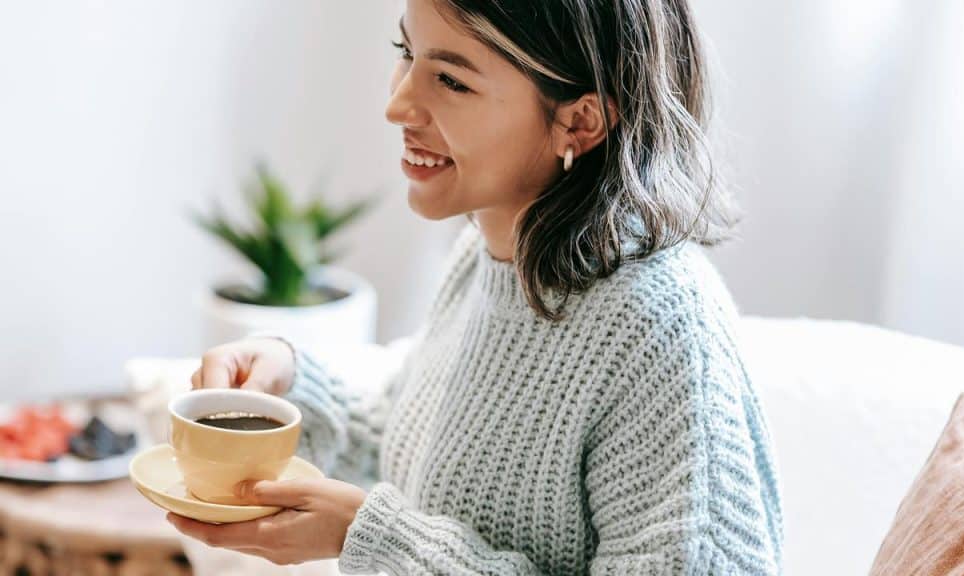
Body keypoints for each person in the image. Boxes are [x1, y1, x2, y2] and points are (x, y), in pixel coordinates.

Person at [169, 0, 784, 573]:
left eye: (452, 80)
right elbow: (425, 448)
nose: (398, 105)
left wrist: (372, 538)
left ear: (581, 120)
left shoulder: (658, 329)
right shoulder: (488, 252)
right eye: (407, 53)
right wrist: (287, 385)